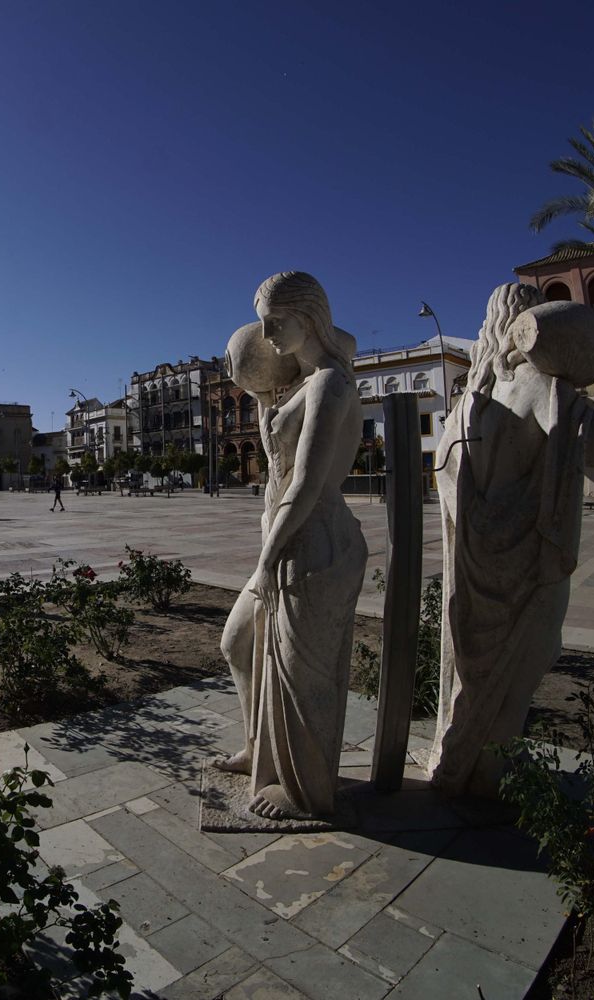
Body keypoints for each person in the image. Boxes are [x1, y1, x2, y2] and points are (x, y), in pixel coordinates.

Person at [426, 283, 594, 796]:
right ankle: (487, 781)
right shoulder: (543, 388)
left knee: (474, 678)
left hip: (473, 569)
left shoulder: (468, 404)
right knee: (517, 678)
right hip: (528, 565)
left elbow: (446, 484)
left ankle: (457, 765)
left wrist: (479, 524)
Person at [217, 272, 367, 820]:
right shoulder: (300, 385)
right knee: (239, 643)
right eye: (262, 320)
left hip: (315, 539)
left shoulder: (331, 384)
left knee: (304, 673)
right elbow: (279, 466)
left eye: (276, 320)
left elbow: (306, 482)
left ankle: (305, 790)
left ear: (310, 318)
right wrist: (261, 397)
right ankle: (262, 748)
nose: (266, 332)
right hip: (288, 534)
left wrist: (266, 556)